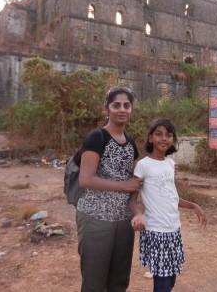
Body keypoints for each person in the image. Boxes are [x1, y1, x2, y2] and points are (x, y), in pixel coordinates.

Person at [76, 86, 143, 292]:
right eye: (116, 105)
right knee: (94, 282)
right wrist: (123, 185)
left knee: (119, 281)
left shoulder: (131, 144)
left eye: (126, 105)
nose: (122, 110)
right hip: (96, 219)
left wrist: (165, 169)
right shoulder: (97, 138)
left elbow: (135, 183)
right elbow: (86, 179)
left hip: (123, 222)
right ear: (107, 109)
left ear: (131, 110)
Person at [129, 118, 207, 292]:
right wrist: (137, 215)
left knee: (170, 279)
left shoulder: (171, 164)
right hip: (156, 231)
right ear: (150, 138)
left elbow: (172, 197)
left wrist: (194, 205)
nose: (164, 138)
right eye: (159, 134)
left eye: (168, 135)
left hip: (174, 230)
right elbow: (132, 199)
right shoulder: (143, 165)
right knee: (163, 283)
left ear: (173, 140)